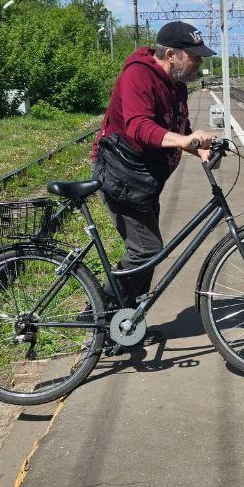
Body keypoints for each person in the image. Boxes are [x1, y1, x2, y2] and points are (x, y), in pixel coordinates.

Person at [92, 21, 217, 308]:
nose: (198, 62)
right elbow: (138, 126)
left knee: (149, 251)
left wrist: (197, 147)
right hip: (120, 174)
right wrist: (184, 142)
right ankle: (100, 312)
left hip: (143, 178)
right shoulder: (137, 76)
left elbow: (179, 127)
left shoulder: (177, 86)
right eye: (194, 56)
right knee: (146, 250)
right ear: (171, 54)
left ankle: (127, 322)